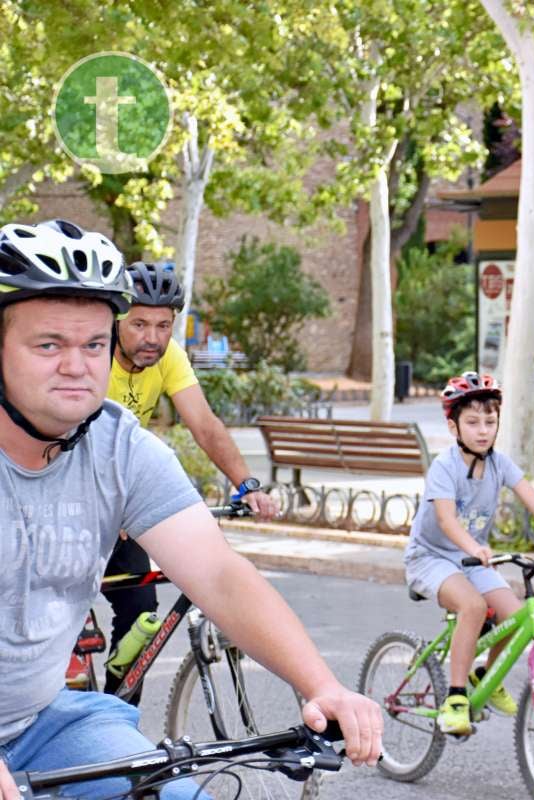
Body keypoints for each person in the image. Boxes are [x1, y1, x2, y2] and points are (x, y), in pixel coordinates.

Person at [0, 220, 381, 800]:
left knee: (174, 794)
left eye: (95, 345)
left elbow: (221, 577)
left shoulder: (119, 445)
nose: (77, 366)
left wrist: (321, 684)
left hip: (43, 724)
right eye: (48, 344)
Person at [102, 259, 280, 703]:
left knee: (142, 613)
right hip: (74, 497)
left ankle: (113, 716)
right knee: (58, 612)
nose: (153, 338)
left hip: (122, 499)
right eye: (140, 323)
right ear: (116, 318)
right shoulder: (90, 354)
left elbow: (204, 425)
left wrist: (247, 486)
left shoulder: (169, 358)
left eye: (164, 325)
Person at [403, 371, 534, 735]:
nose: (483, 430)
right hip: (430, 557)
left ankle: (483, 678)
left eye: (490, 422)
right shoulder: (444, 468)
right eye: (472, 422)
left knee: (514, 617)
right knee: (474, 607)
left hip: (471, 558)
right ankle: (456, 699)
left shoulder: (499, 464)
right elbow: (446, 520)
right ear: (453, 427)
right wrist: (474, 546)